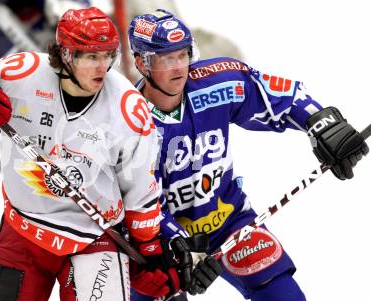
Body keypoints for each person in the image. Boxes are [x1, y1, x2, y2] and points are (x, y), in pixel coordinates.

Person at [0, 7, 181, 301]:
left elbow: (141, 194)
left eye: (108, 55)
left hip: (95, 237)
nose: (103, 67)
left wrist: (150, 251)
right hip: (24, 228)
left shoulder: (128, 108)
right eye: (91, 56)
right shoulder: (22, 71)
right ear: (65, 54)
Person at [127, 9, 369, 301]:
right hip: (160, 244)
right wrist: (176, 244)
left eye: (183, 55)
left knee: (285, 297)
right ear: (142, 63)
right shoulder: (126, 122)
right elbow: (136, 203)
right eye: (167, 59)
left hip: (230, 223)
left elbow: (283, 96)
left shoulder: (215, 83)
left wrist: (320, 123)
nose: (179, 67)